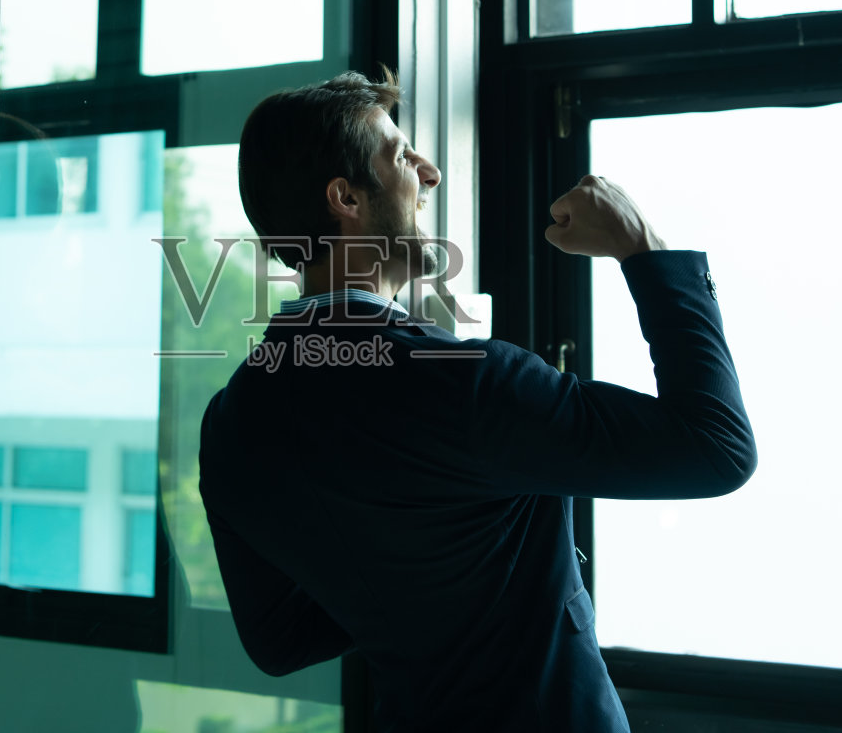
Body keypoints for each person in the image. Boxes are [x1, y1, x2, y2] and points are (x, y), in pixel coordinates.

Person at [198, 69, 756, 732]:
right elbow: (716, 448)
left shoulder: (232, 425)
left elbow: (279, 640)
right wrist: (644, 247)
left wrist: (406, 569)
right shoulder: (461, 385)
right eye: (401, 156)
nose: (430, 173)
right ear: (345, 197)